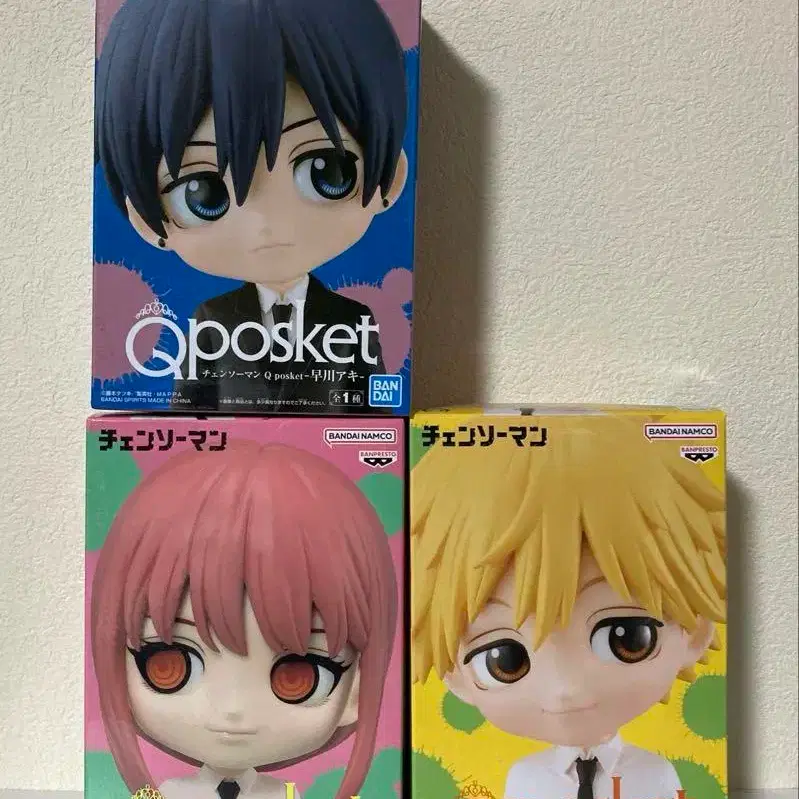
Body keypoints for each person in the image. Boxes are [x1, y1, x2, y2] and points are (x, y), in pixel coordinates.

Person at [96, 0, 409, 411]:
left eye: (327, 173)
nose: (267, 221)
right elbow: (186, 413)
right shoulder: (211, 317)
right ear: (145, 222)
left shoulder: (354, 318)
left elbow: (376, 416)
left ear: (391, 178)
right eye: (203, 194)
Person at [411, 415, 726, 799]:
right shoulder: (524, 779)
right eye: (505, 660)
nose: (565, 689)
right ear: (455, 676)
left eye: (625, 639)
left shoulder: (655, 774)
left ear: (695, 630)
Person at [92, 441, 398, 799]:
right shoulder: (171, 792)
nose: (233, 709)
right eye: (170, 666)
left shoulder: (282, 795)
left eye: (299, 676)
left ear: (356, 691)